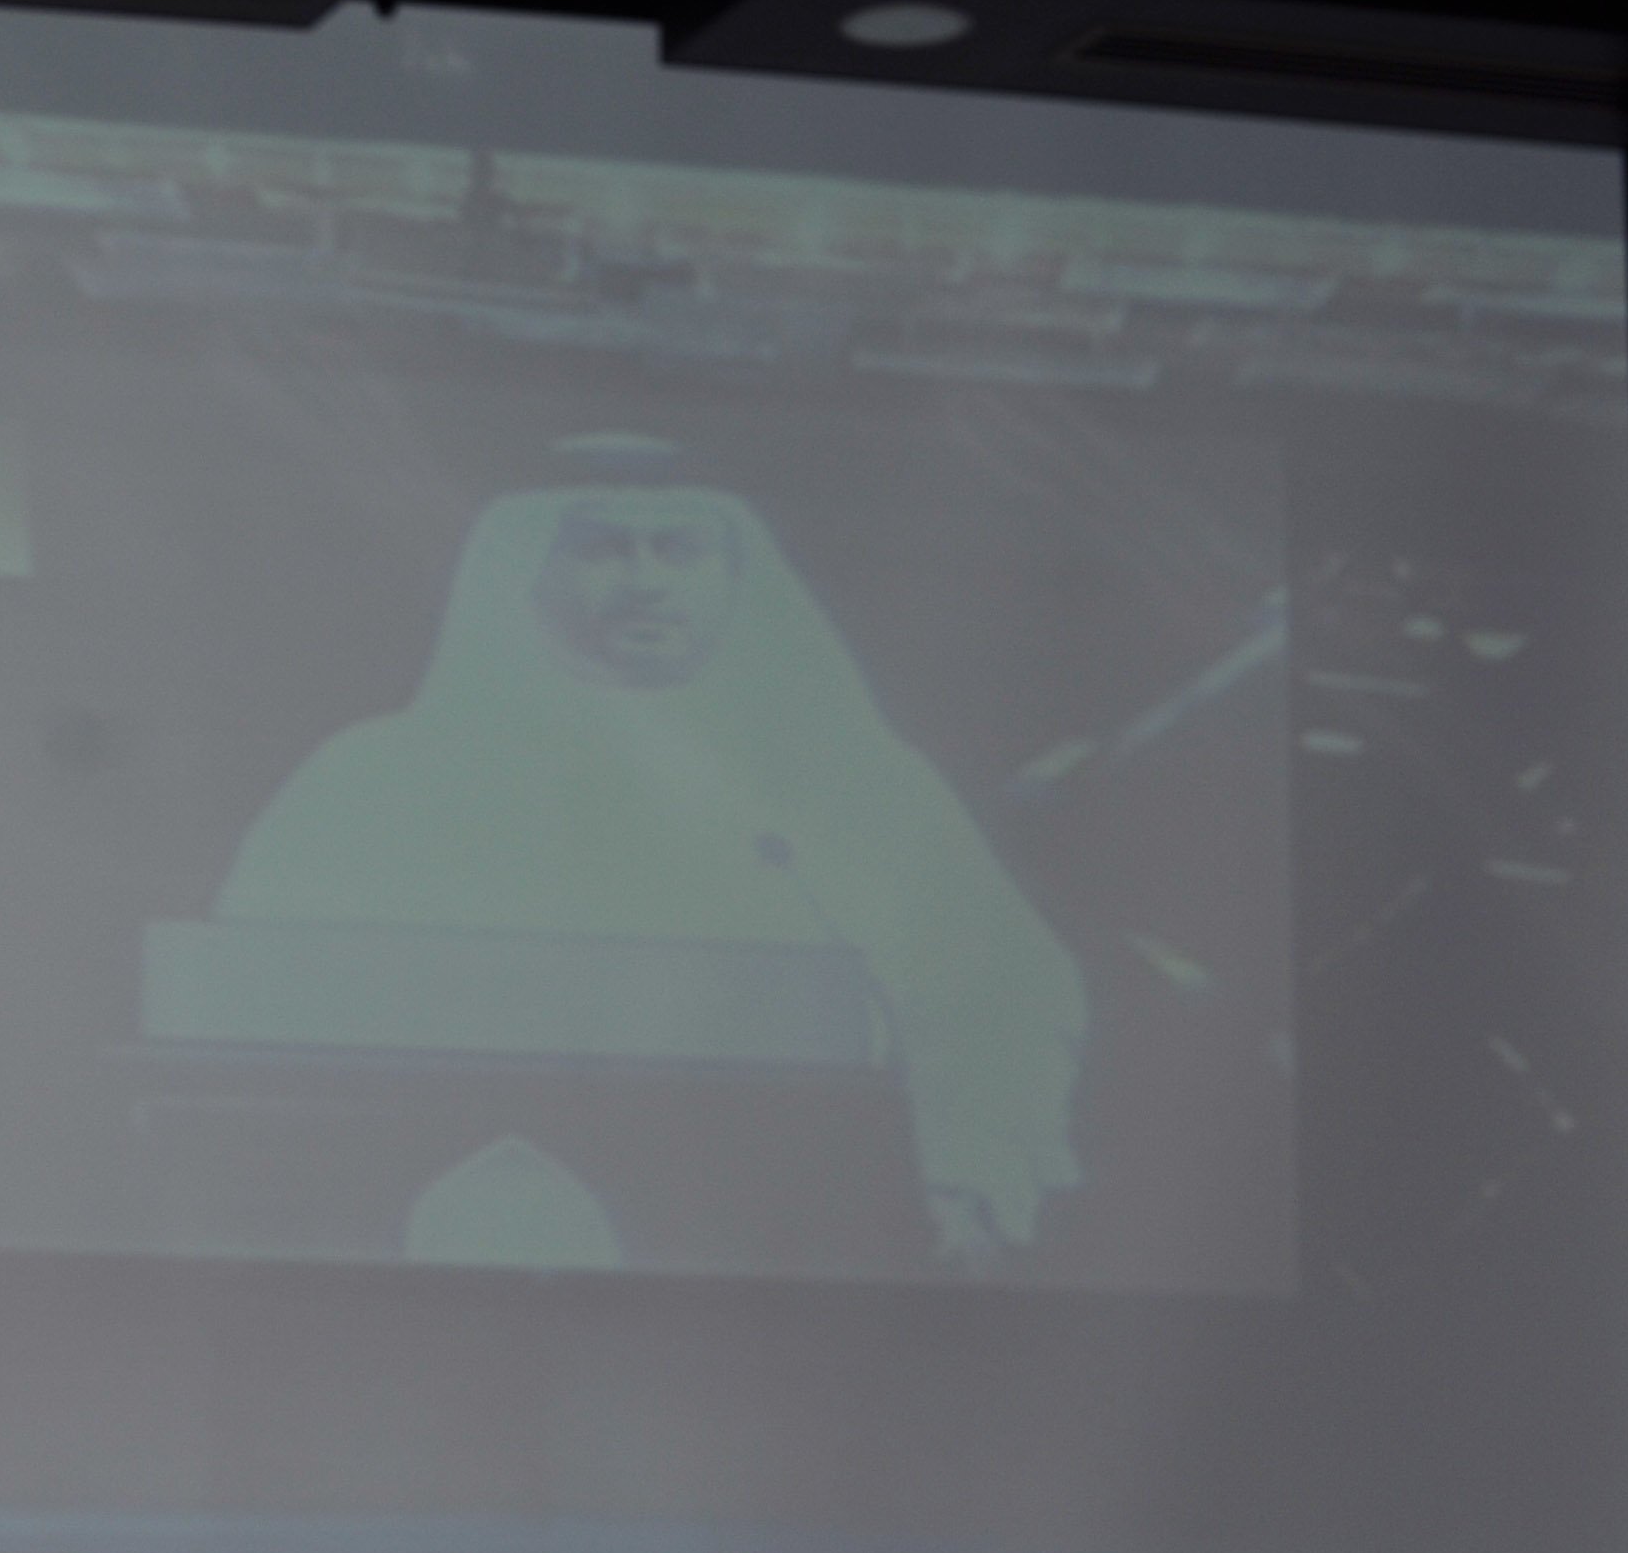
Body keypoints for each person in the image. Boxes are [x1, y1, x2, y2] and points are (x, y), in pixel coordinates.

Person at [213, 460, 1087, 1266]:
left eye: (679, 551)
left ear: (733, 577)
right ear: (526, 572)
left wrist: (970, 1163)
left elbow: (999, 990)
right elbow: (246, 1004)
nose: (645, 581)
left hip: (789, 1247)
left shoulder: (855, 782)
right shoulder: (377, 773)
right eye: (603, 550)